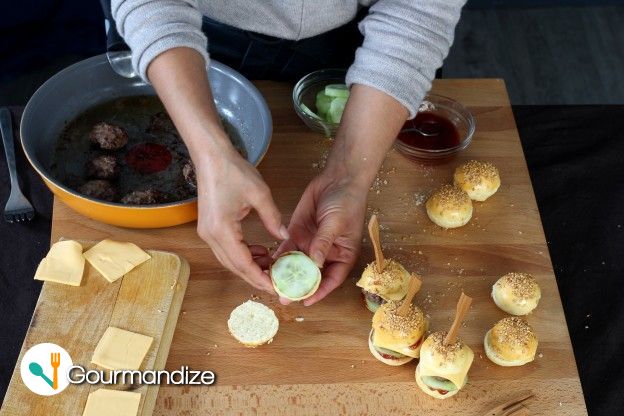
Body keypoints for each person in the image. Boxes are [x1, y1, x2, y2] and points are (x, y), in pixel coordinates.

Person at [111, 0, 466, 305]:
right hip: (185, 43)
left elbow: (419, 10)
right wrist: (211, 156)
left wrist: (348, 177)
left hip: (363, 47)